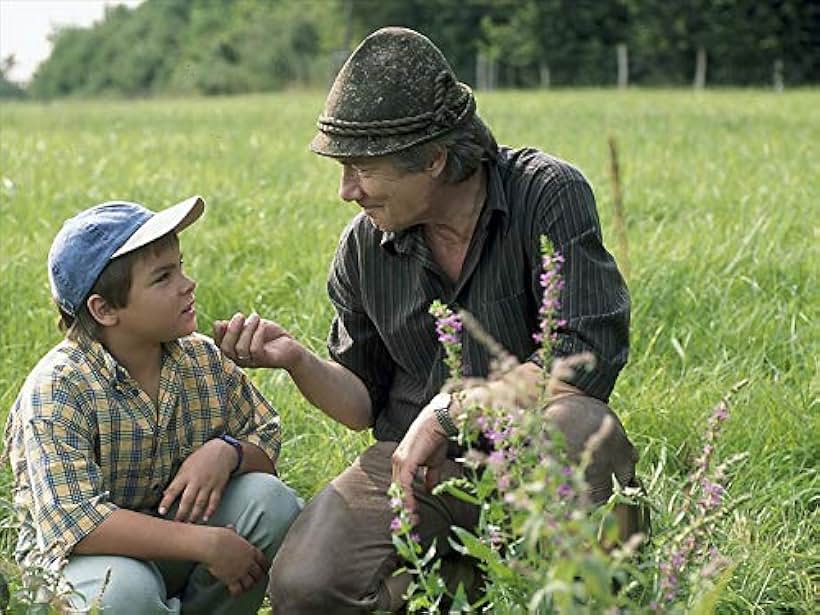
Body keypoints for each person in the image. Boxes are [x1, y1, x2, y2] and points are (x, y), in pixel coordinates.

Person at [215, 27, 639, 613]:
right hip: (416, 473)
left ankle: (573, 588)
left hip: (531, 457)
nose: (346, 190)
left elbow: (580, 358)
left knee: (582, 431)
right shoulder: (365, 247)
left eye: (362, 168)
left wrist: (449, 412)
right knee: (305, 585)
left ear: (435, 160)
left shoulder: (545, 194)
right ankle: (467, 582)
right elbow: (364, 403)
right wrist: (296, 359)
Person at [3, 196, 302, 614]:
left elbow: (265, 443)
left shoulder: (199, 358)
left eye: (181, 266)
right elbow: (76, 523)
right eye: (163, 278)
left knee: (270, 502)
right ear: (104, 309)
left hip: (172, 544)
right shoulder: (59, 388)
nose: (187, 284)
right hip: (79, 565)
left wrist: (226, 453)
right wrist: (208, 543)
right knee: (124, 592)